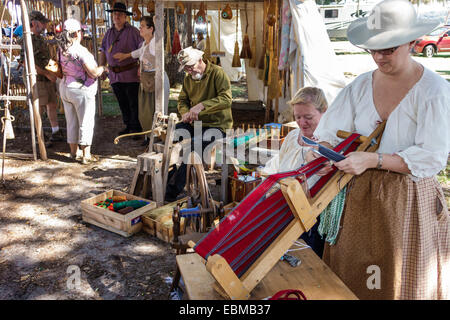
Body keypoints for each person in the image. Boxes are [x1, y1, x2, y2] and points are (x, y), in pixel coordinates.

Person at [307, 0, 450, 299]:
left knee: (399, 280)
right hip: (359, 197)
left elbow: (431, 157)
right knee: (355, 277)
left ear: (411, 42)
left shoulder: (434, 91)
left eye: (388, 49)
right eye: (373, 49)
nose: (378, 57)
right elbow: (328, 135)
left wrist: (373, 159)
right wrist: (322, 153)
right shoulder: (359, 86)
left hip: (406, 198)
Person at [261, 87, 328, 257]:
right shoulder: (292, 137)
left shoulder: (328, 142)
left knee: (305, 259)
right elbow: (278, 164)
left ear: (324, 112)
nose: (302, 122)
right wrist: (266, 182)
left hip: (309, 215)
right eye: (298, 117)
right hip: (283, 207)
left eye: (308, 117)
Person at [165, 46, 233, 202]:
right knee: (170, 135)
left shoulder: (217, 73)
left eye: (190, 66)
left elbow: (226, 99)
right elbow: (182, 100)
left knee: (194, 147)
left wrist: (201, 106)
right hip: (197, 124)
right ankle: (168, 177)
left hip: (218, 125)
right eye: (186, 68)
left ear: (200, 60)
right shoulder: (189, 79)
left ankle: (171, 191)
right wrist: (185, 113)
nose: (189, 71)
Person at [56, 19, 107, 164]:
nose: (82, 33)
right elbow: (92, 72)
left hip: (65, 87)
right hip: (81, 90)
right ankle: (86, 155)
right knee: (86, 121)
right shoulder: (80, 50)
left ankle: (73, 152)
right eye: (81, 31)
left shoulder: (62, 49)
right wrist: (103, 68)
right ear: (77, 33)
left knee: (71, 121)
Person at [113, 15, 170, 143]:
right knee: (146, 111)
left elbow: (160, 38)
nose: (140, 28)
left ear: (151, 29)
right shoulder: (145, 43)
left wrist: (158, 24)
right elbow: (138, 52)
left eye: (143, 26)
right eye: (140, 26)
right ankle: (149, 136)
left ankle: (158, 138)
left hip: (158, 81)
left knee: (159, 110)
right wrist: (125, 56)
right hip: (147, 81)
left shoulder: (155, 43)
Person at [20, 11, 63, 146]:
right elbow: (26, 63)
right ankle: (39, 137)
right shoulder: (26, 39)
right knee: (39, 107)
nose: (45, 25)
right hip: (37, 79)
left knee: (52, 104)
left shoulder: (40, 38)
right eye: (42, 23)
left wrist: (57, 71)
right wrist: (46, 73)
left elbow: (46, 59)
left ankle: (55, 132)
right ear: (34, 23)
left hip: (47, 78)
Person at [99, 2, 143, 136]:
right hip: (114, 75)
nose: (117, 16)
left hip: (130, 74)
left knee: (133, 103)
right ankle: (128, 125)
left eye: (120, 14)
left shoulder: (134, 32)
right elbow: (103, 51)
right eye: (115, 14)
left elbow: (143, 50)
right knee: (122, 103)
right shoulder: (108, 33)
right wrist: (102, 67)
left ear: (125, 17)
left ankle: (136, 128)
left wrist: (141, 68)